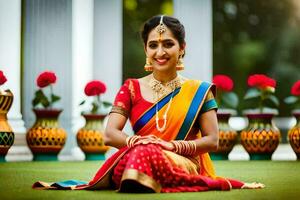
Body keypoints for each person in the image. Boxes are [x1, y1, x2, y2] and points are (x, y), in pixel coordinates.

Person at [33, 15, 264, 192]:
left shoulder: (199, 91)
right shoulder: (131, 87)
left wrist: (174, 147)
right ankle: (140, 177)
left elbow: (213, 141)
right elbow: (110, 134)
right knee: (141, 152)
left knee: (145, 154)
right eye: (153, 45)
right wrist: (137, 141)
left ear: (182, 48)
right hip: (136, 155)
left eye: (168, 44)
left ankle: (142, 179)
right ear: (145, 49)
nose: (160, 52)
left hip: (181, 162)